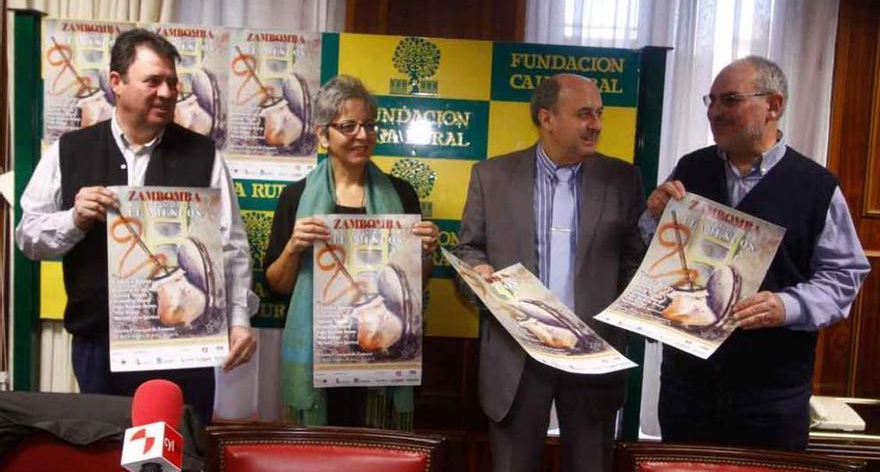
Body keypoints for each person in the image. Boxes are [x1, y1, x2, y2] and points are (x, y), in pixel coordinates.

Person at [15, 28, 258, 425]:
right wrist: (74, 219)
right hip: (99, 347)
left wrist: (238, 321)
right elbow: (29, 237)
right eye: (153, 81)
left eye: (172, 82)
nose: (166, 92)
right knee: (106, 450)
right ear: (116, 83)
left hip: (185, 348)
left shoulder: (204, 155)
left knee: (181, 452)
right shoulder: (69, 150)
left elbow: (230, 246)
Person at [643, 56, 871, 451]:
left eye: (729, 100)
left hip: (770, 398)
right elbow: (654, 253)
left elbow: (844, 275)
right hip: (687, 390)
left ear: (774, 105)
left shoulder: (816, 186)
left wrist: (788, 306)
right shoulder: (691, 168)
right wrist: (652, 219)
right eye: (710, 100)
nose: (715, 112)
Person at [454, 73, 646, 472]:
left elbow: (634, 261)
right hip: (517, 355)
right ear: (547, 118)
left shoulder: (623, 179)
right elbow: (468, 249)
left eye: (599, 114)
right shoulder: (491, 176)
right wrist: (479, 274)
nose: (596, 124)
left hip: (593, 357)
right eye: (583, 114)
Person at [263, 74, 440, 430]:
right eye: (348, 126)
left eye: (369, 125)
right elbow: (276, 286)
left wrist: (426, 252)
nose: (362, 135)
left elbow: (414, 285)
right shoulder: (296, 198)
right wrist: (294, 248)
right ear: (323, 135)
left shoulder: (401, 195)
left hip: (381, 355)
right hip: (318, 358)